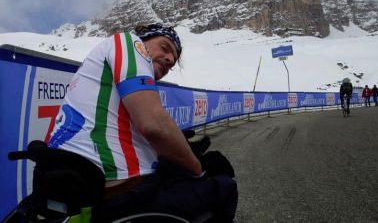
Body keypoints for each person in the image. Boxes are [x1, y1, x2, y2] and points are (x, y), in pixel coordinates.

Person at [48, 23, 238, 222]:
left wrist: (183, 149)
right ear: (143, 40)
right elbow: (154, 126)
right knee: (224, 186)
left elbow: (138, 133)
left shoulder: (107, 74)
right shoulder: (129, 42)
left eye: (173, 61)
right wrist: (199, 169)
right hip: (119, 193)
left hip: (84, 185)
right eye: (165, 48)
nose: (170, 59)